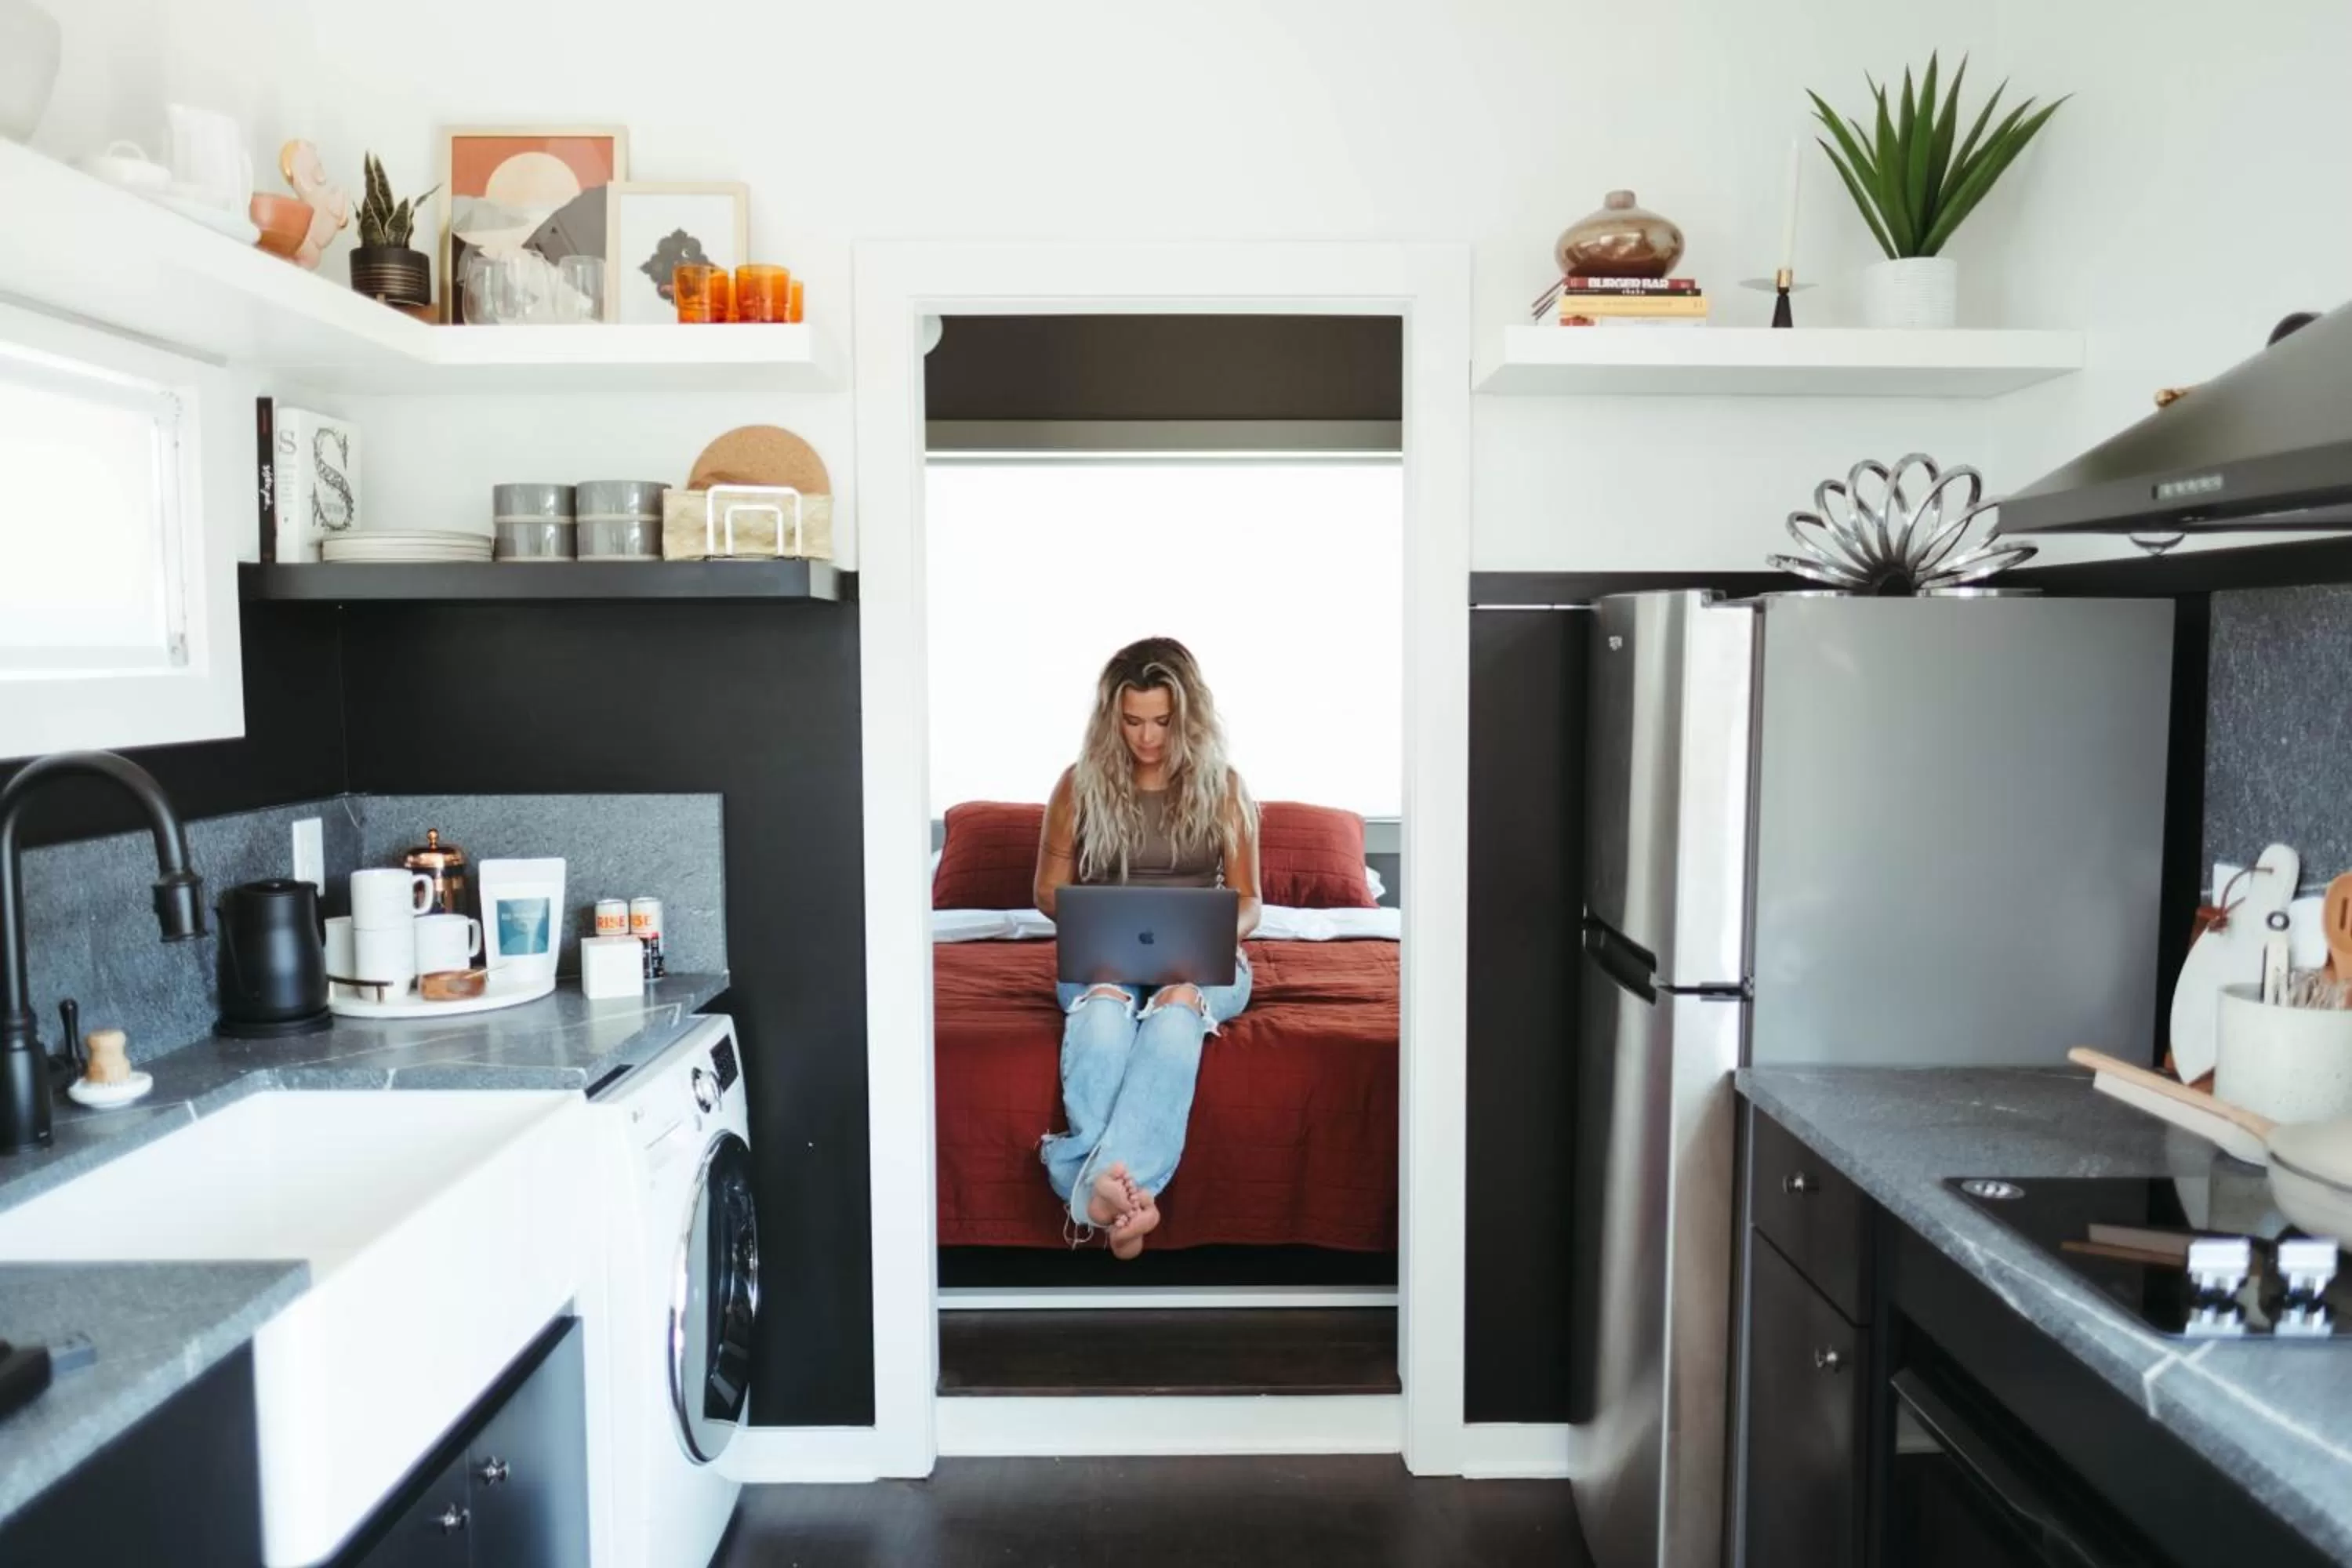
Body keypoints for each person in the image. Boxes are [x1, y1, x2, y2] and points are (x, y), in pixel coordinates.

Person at [1033, 637, 1261, 1259]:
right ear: (1113, 719)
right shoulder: (1077, 786)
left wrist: (1205, 937)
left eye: (1162, 722)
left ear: (1187, 718)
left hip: (1201, 960)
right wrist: (1095, 914)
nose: (1148, 737)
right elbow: (1047, 891)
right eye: (1133, 722)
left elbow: (1248, 901)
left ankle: (1090, 1189)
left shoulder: (1225, 788)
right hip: (1103, 954)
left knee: (1177, 1011)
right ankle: (1134, 1201)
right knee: (1104, 1012)